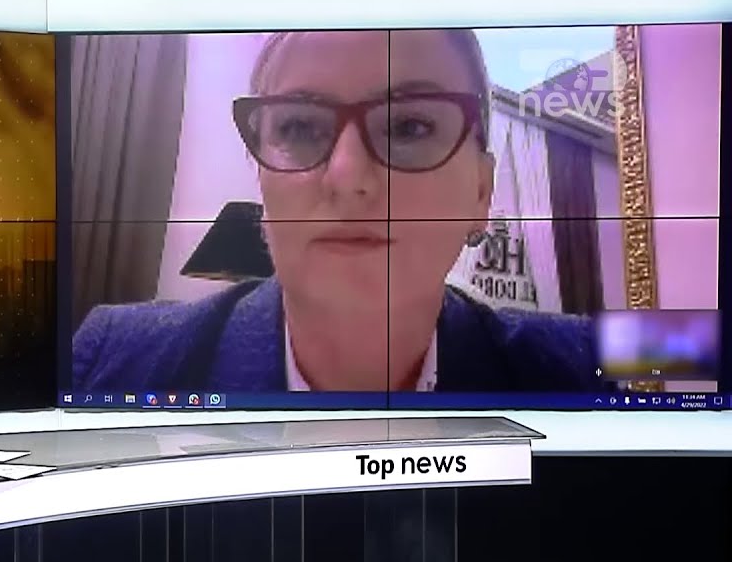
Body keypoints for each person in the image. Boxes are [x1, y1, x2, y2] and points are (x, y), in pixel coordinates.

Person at [73, 29, 607, 394]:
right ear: (262, 185)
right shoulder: (111, 361)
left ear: (481, 192)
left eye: (409, 127)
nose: (348, 177)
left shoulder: (583, 366)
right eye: (300, 127)